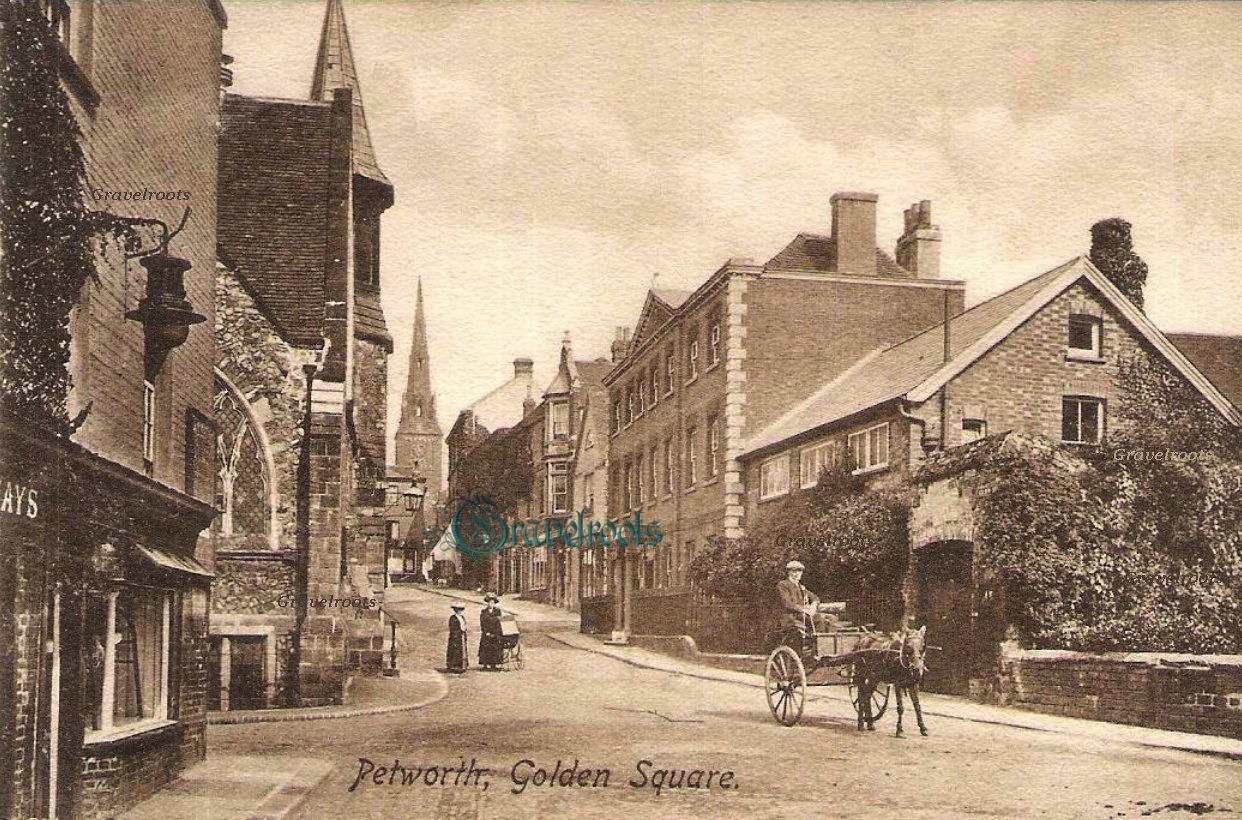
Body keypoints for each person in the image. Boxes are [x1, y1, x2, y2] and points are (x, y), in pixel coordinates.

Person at [777, 559, 820, 638]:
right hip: (791, 616)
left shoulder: (801, 587)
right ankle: (816, 644)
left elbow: (815, 598)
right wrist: (805, 610)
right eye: (794, 571)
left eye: (799, 571)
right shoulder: (783, 585)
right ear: (789, 572)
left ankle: (831, 645)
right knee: (819, 618)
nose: (796, 574)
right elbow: (787, 603)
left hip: (803, 615)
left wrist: (813, 607)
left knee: (831, 618)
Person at [478, 593, 504, 670]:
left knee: (495, 647)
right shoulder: (484, 612)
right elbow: (482, 623)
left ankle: (494, 664)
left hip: (495, 633)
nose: (491, 604)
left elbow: (499, 623)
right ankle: (485, 664)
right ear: (487, 603)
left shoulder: (498, 611)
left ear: (494, 603)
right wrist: (486, 632)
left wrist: (496, 633)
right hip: (486, 633)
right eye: (489, 602)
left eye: (492, 602)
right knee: (485, 647)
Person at [446, 603, 468, 673]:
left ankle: (462, 665)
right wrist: (459, 631)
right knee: (455, 651)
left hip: (462, 636)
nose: (459, 611)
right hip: (455, 637)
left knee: (462, 651)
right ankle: (454, 666)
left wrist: (464, 629)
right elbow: (452, 628)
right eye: (458, 609)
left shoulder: (462, 617)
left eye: (460, 610)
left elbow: (464, 625)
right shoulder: (453, 618)